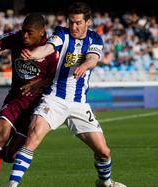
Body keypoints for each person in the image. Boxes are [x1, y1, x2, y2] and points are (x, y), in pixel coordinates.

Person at [8, 2, 126, 187]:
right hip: (55, 99)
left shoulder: (95, 38)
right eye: (71, 22)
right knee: (33, 137)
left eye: (78, 22)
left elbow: (93, 58)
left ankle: (106, 182)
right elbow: (48, 48)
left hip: (79, 104)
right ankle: (12, 185)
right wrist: (33, 54)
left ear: (88, 22)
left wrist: (85, 65)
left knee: (104, 152)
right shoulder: (62, 34)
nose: (74, 27)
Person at [0, 13, 58, 184]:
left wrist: (40, 83)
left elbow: (58, 77)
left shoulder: (52, 48)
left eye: (29, 32)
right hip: (16, 98)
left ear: (41, 32)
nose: (25, 35)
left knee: (12, 155)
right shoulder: (17, 38)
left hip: (36, 106)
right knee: (0, 134)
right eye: (23, 31)